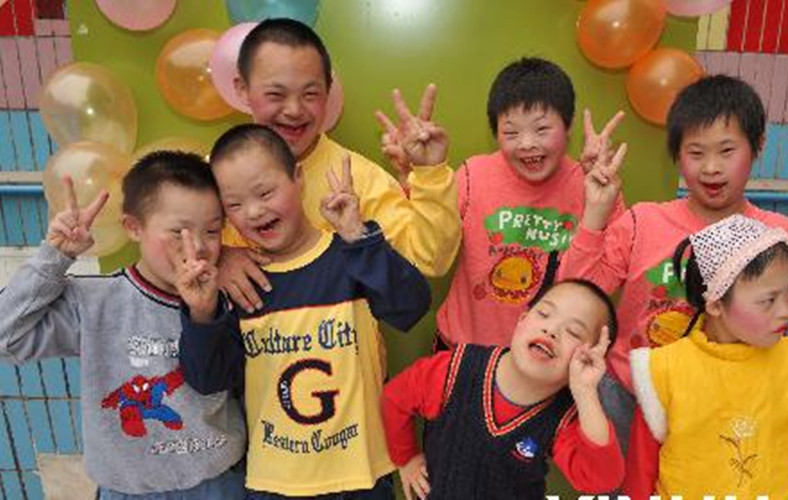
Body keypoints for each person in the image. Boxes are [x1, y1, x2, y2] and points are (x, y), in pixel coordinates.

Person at [558, 74, 788, 447]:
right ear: (677, 154)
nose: (711, 168)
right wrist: (594, 215)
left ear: (758, 146)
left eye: (727, 151)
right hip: (628, 403)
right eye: (696, 153)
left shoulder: (781, 239)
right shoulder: (642, 222)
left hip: (725, 413)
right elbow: (575, 297)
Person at [176, 124, 432, 498]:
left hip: (361, 476)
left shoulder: (350, 254)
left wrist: (359, 237)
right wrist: (201, 313)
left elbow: (411, 307)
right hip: (273, 482)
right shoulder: (240, 281)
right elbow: (208, 379)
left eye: (265, 192)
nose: (254, 211)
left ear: (298, 178)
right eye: (234, 205)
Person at [0, 152, 246, 499]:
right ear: (133, 227)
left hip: (220, 483)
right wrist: (55, 256)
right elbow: (6, 336)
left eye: (211, 231)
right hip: (128, 491)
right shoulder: (95, 302)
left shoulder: (231, 293)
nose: (198, 247)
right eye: (178, 232)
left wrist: (205, 312)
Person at [623, 214, 788, 497]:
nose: (785, 310)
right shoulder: (665, 370)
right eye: (769, 300)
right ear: (715, 304)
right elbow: (641, 473)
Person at [379, 56, 625, 351]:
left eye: (542, 129)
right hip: (462, 348)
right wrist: (413, 174)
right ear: (495, 133)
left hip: (542, 356)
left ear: (568, 126)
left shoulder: (592, 186)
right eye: (511, 132)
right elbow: (428, 242)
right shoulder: (474, 174)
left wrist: (598, 205)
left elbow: (597, 289)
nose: (527, 143)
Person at [219, 18, 460, 313]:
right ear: (242, 89)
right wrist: (219, 257)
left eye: (310, 94)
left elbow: (430, 258)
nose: (294, 110)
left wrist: (429, 172)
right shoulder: (215, 176)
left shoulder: (358, 178)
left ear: (328, 91)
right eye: (276, 94)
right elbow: (175, 246)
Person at [381, 279, 625, 499]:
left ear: (589, 359)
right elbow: (395, 398)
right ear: (522, 320)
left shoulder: (564, 417)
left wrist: (586, 392)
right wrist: (407, 458)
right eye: (544, 314)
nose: (551, 330)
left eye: (573, 332)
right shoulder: (455, 370)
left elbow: (601, 480)